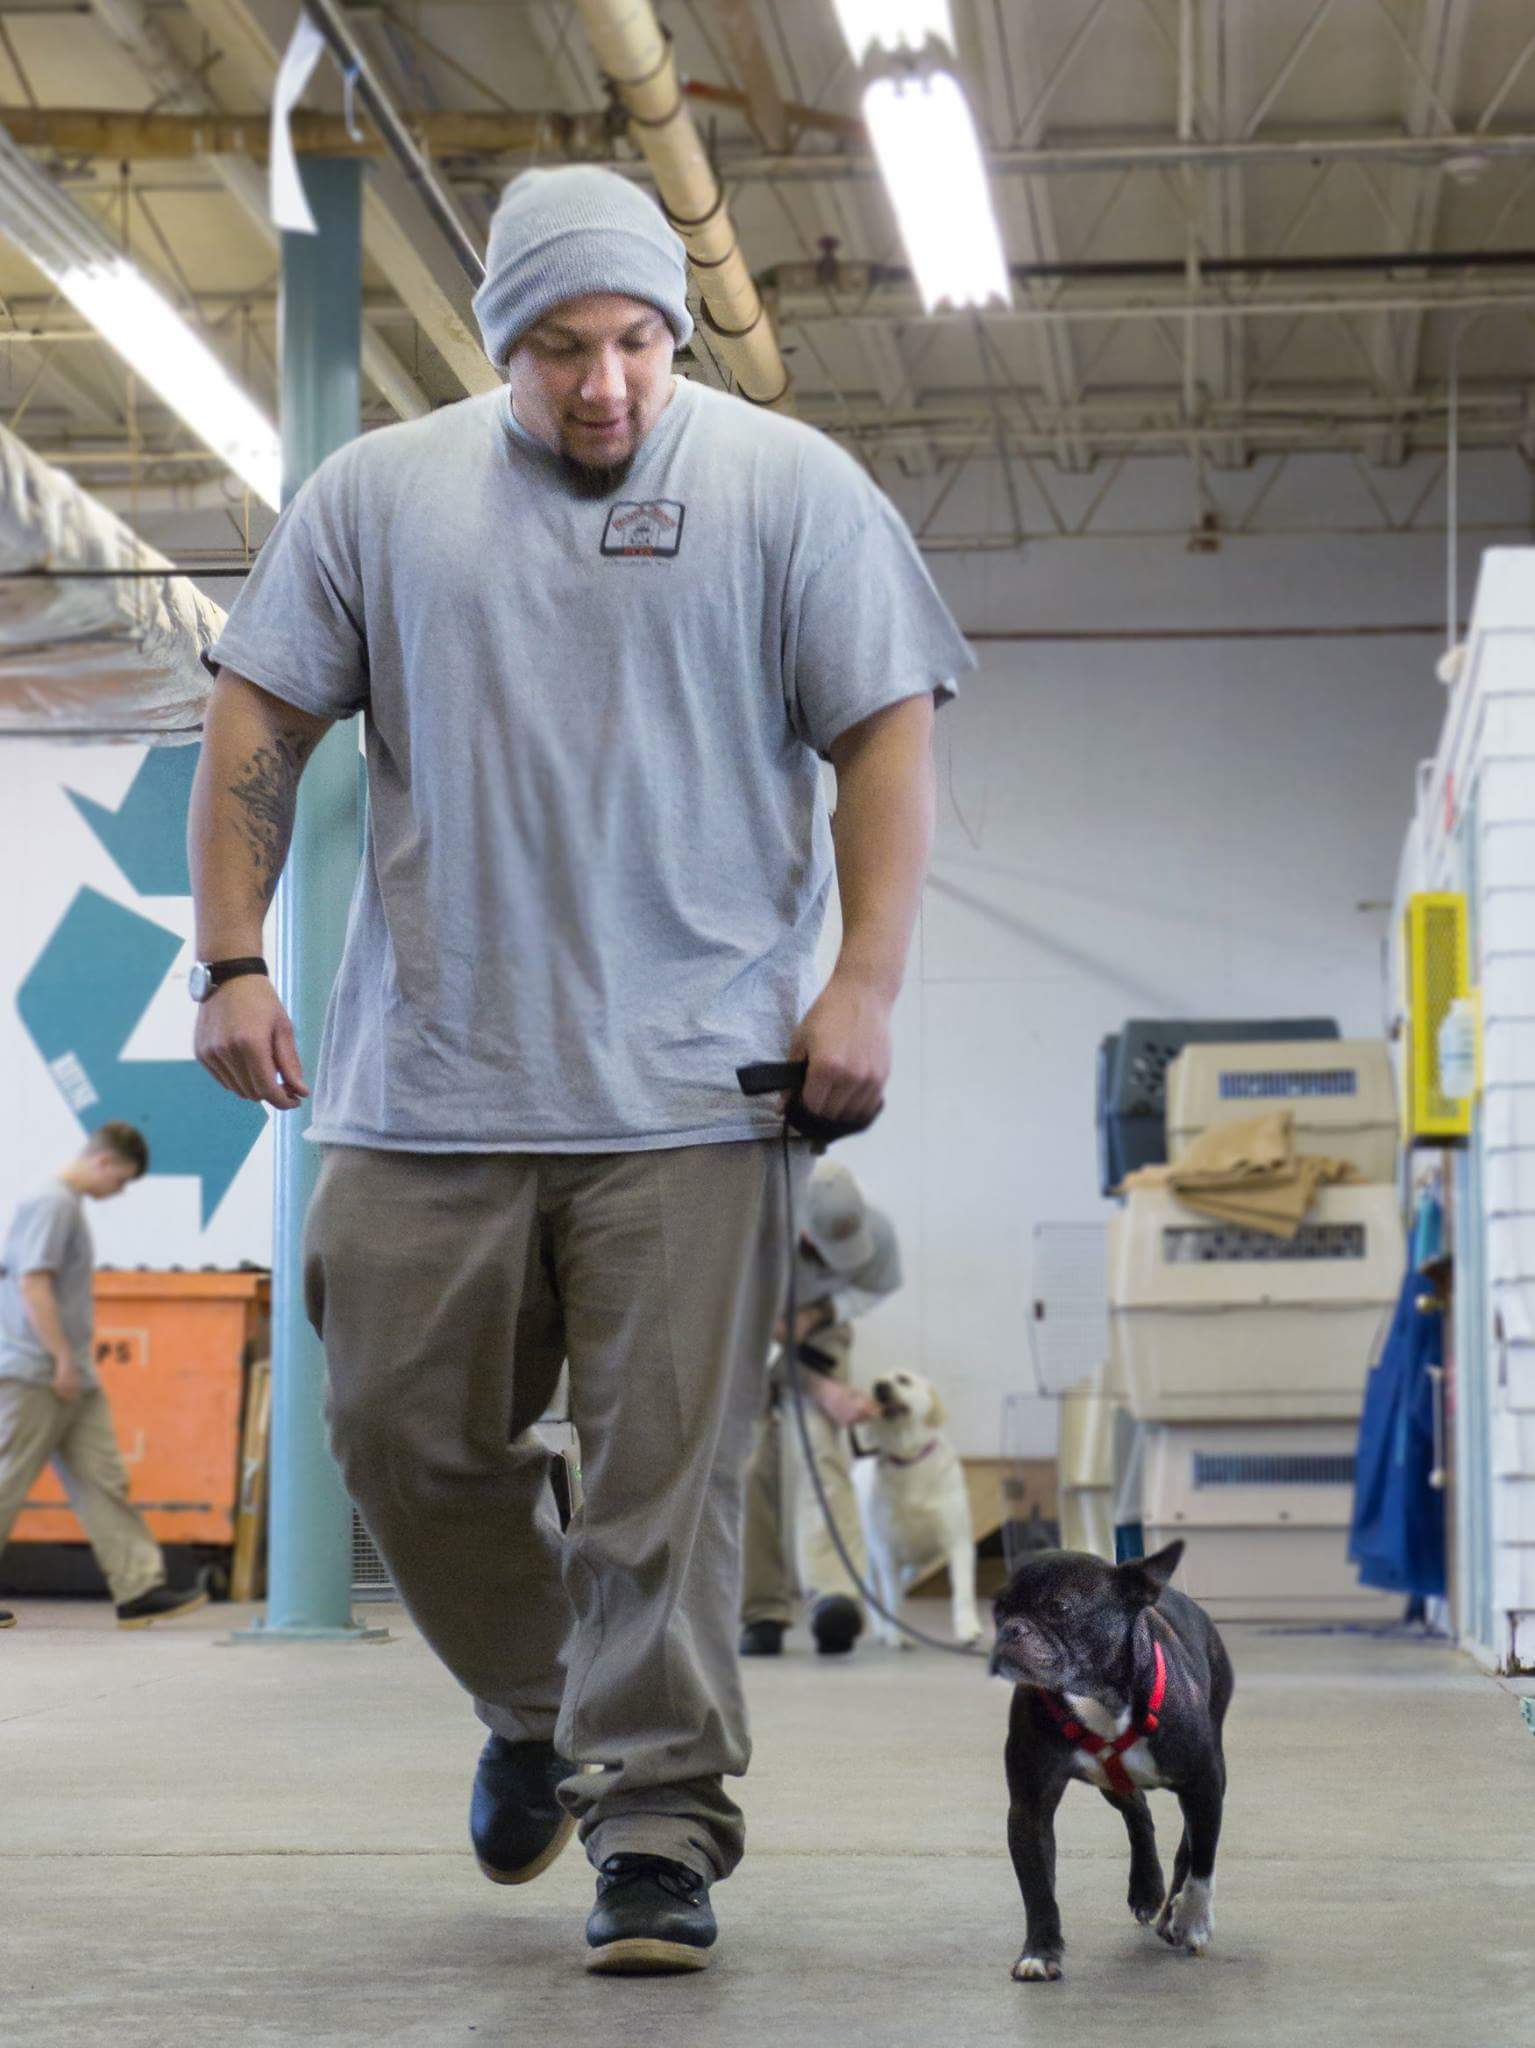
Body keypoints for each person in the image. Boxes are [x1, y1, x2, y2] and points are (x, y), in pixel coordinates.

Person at [187, 164, 971, 1976]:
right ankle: (542, 1706)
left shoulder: (791, 490)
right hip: (428, 1080)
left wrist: (861, 983)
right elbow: (258, 716)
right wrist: (230, 954)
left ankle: (657, 1824)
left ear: (673, 333)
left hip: (699, 1095)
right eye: (558, 348)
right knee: (396, 1435)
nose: (602, 384)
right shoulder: (379, 498)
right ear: (499, 346)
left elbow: (885, 734)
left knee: (663, 1488)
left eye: (632, 343)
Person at [0, 1123, 210, 1631]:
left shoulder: (65, 1205)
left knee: (102, 1479)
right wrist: (61, 1358)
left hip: (70, 1376)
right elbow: (33, 1283)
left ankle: (139, 1588)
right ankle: (139, 1585)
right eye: (122, 1181)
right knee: (6, 1478)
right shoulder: (51, 1204)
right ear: (105, 1162)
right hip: (38, 1370)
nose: (118, 1192)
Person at [740, 1160, 901, 1658]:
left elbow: (873, 1289)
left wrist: (821, 1313)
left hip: (818, 1328)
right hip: (744, 1337)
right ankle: (761, 1612)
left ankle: (834, 1597)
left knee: (823, 1449)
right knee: (746, 1464)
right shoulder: (749, 1236)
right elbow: (751, 1339)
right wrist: (823, 1387)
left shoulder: (876, 1233)